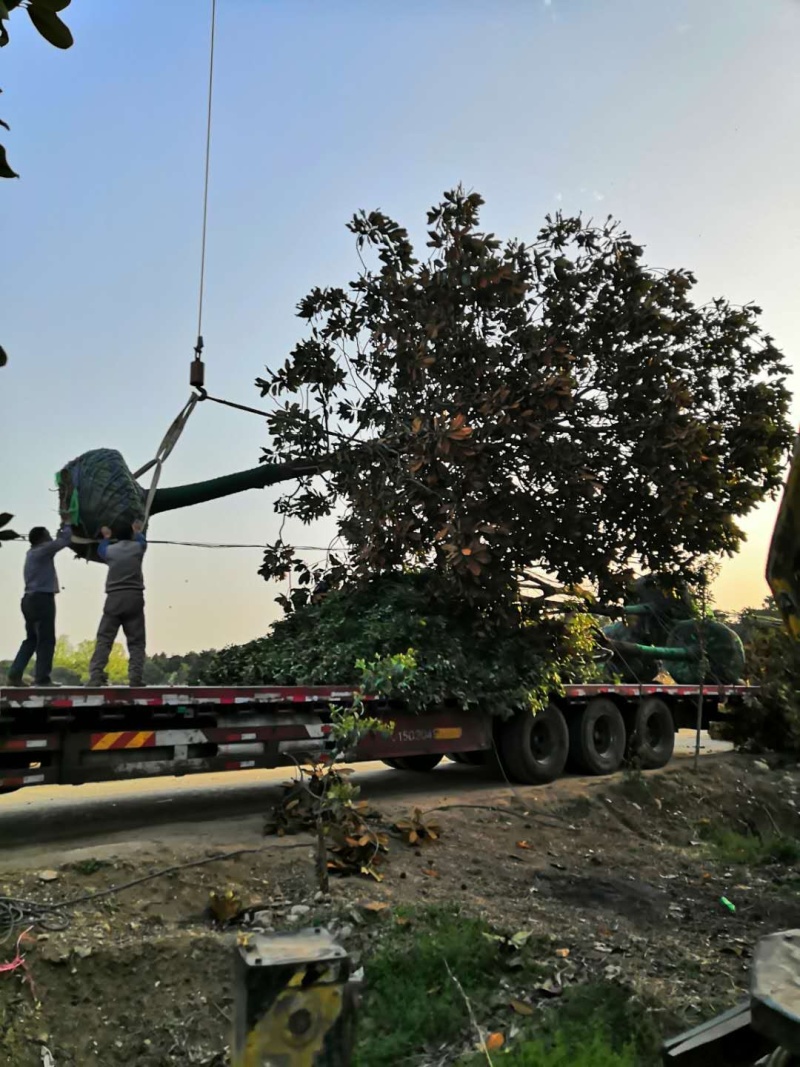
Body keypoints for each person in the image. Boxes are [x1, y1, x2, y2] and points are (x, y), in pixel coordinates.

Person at [8, 516, 73, 687]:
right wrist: (67, 523)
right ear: (42, 539)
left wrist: (61, 531)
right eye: (48, 535)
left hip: (28, 600)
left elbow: (58, 540)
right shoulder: (43, 550)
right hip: (42, 600)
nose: (50, 538)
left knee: (31, 639)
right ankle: (42, 678)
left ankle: (15, 674)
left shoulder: (31, 553)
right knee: (46, 639)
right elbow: (64, 541)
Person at [87, 519, 147, 687]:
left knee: (105, 639)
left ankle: (96, 676)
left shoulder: (111, 551)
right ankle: (135, 677)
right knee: (136, 641)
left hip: (114, 598)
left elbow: (101, 550)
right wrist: (137, 530)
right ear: (130, 535)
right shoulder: (138, 548)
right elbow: (142, 541)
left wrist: (106, 536)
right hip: (134, 597)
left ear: (116, 536)